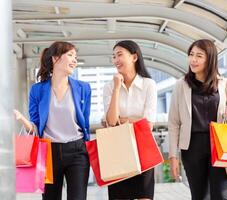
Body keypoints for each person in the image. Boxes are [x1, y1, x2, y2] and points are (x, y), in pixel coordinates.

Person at [14, 41, 91, 200]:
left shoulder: (83, 88)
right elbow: (35, 127)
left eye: (75, 57)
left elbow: (85, 122)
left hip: (77, 150)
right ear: (56, 59)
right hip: (48, 153)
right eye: (70, 55)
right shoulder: (38, 90)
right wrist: (21, 118)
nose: (75, 60)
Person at [168, 39, 227, 200]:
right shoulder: (181, 85)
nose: (193, 60)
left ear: (210, 59)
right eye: (191, 55)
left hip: (219, 146)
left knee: (221, 195)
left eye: (199, 56)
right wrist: (173, 156)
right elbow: (174, 123)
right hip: (192, 147)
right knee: (200, 196)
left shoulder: (222, 84)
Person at [103, 40, 157, 200]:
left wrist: (125, 120)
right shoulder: (109, 86)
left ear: (134, 57)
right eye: (113, 57)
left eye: (119, 54)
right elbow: (112, 121)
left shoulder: (149, 85)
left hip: (143, 148)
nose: (115, 60)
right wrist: (117, 88)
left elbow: (148, 124)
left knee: (144, 197)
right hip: (117, 151)